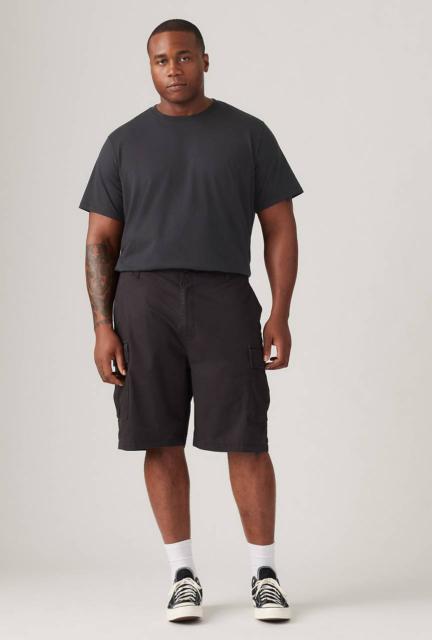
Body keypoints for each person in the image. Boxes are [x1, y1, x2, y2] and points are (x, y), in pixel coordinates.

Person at [78, 18, 303, 623]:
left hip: (223, 296)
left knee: (245, 436)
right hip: (143, 298)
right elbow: (100, 240)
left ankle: (265, 574)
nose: (172, 69)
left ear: (205, 60)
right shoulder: (123, 142)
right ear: (149, 68)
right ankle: (182, 575)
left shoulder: (248, 134)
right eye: (160, 60)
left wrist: (280, 311)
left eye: (183, 56)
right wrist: (102, 325)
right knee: (159, 437)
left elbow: (280, 227)